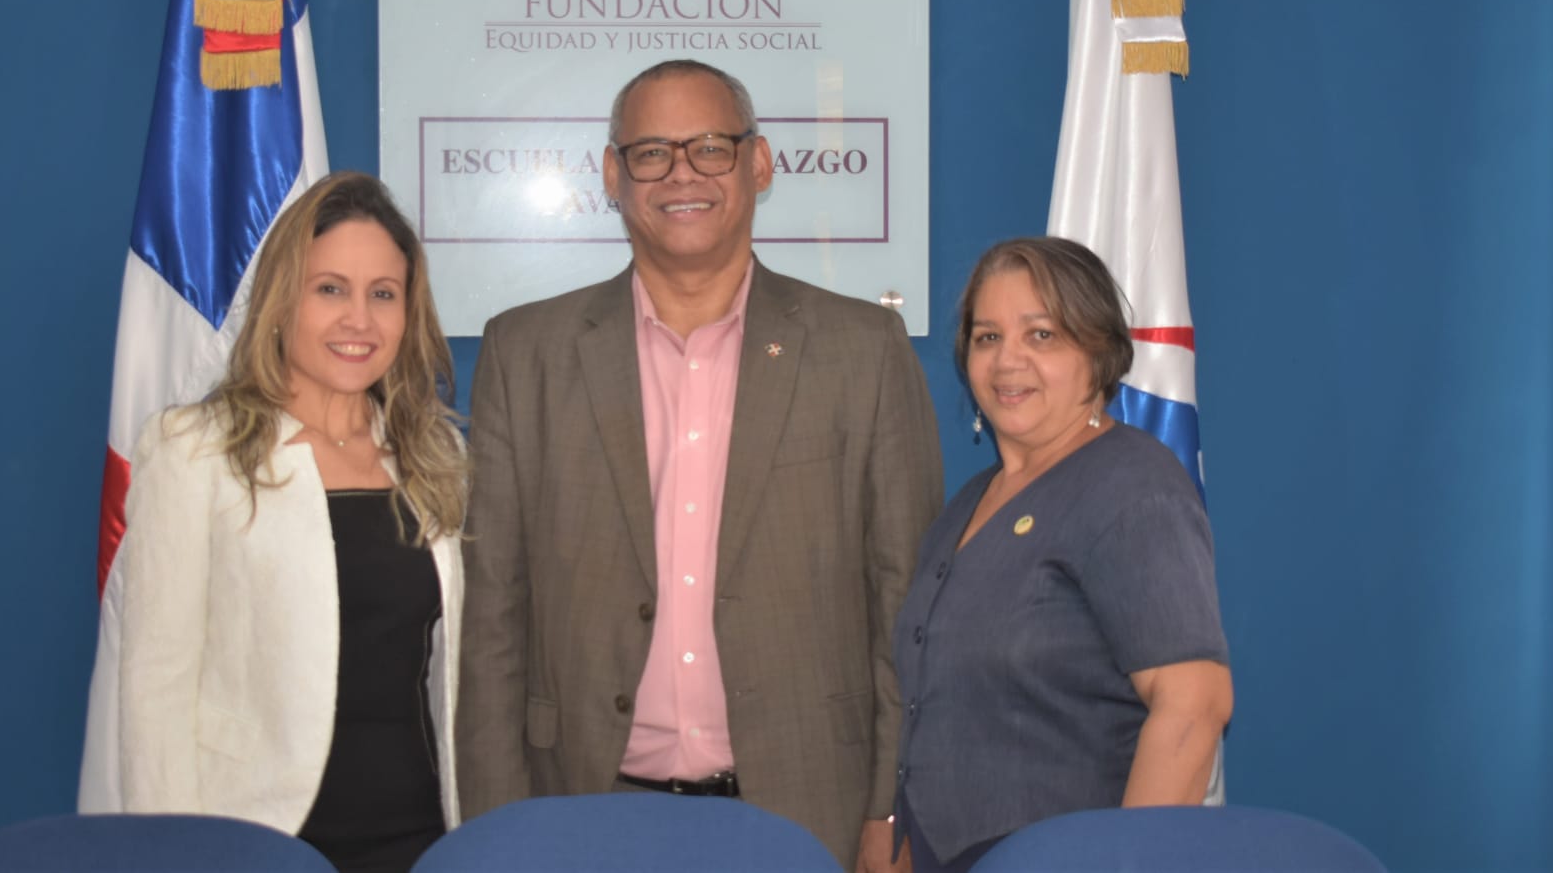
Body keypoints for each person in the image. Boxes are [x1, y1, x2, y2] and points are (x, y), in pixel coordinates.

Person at [457, 59, 943, 870]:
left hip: (807, 811)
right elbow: (493, 618)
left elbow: (906, 607)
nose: (682, 173)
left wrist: (890, 808)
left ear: (761, 163)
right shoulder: (525, 352)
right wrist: (499, 828)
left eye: (711, 147)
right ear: (612, 175)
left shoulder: (863, 351)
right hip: (581, 809)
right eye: (651, 152)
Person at [82, 172, 467, 873]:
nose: (359, 320)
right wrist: (177, 855)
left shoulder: (433, 455)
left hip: (420, 834)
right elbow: (155, 690)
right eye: (331, 289)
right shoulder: (194, 451)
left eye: (383, 293)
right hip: (256, 837)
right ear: (281, 302)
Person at [892, 237, 1232, 872]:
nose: (1007, 360)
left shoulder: (1132, 485)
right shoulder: (969, 502)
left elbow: (1194, 705)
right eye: (987, 337)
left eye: (1041, 335)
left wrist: (1125, 864)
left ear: (1098, 351)